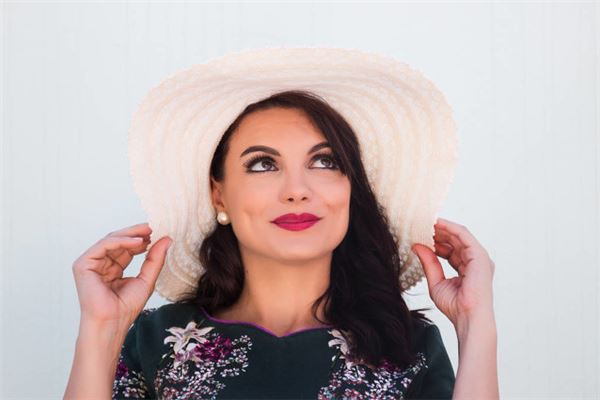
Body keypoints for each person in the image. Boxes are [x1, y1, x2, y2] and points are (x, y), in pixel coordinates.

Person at [64, 47, 498, 399]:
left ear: (351, 189)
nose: (296, 189)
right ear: (219, 194)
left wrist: (475, 323)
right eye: (262, 164)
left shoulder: (408, 346)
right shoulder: (157, 339)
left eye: (324, 162)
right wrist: (101, 328)